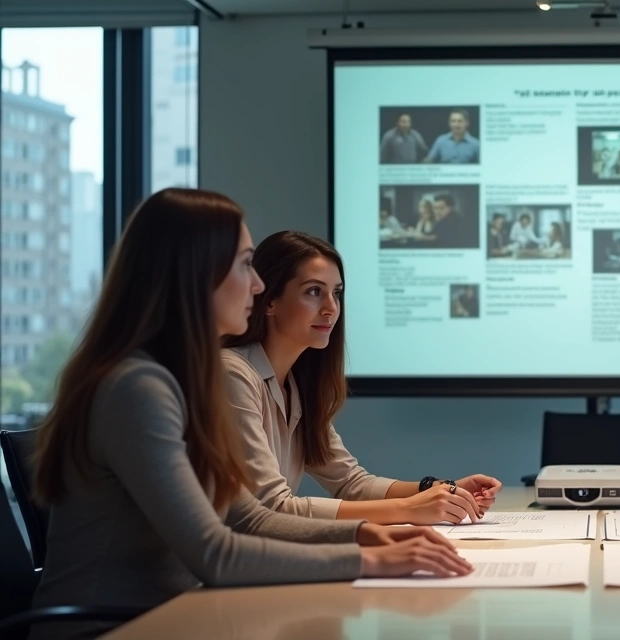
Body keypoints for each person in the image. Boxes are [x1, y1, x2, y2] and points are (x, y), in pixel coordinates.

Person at [29, 189, 470, 640]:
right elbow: (215, 554)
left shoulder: (183, 380)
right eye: (245, 265)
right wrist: (367, 557)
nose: (258, 285)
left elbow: (247, 520)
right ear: (195, 273)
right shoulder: (137, 387)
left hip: (178, 616)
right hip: (109, 629)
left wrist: (363, 535)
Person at [223, 231, 501, 525]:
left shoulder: (297, 384)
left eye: (337, 293)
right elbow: (272, 507)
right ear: (269, 301)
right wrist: (410, 510)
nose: (331, 308)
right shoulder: (232, 374)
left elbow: (352, 484)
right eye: (314, 291)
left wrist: (441, 489)